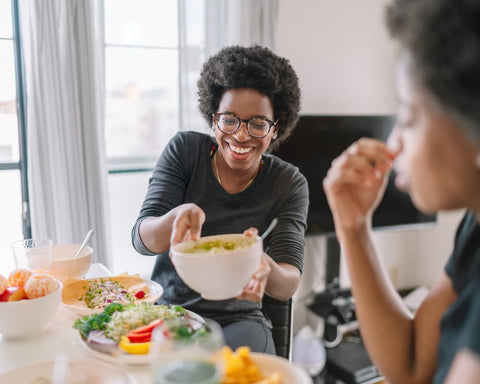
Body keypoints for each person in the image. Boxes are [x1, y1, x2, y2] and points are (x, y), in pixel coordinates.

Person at [323, 0, 480, 382]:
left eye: (408, 117)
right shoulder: (474, 228)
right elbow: (411, 366)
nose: (393, 143)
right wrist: (354, 227)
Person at [132, 45, 308, 354]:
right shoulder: (185, 151)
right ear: (214, 119)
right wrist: (176, 217)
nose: (241, 136)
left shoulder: (288, 182)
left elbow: (288, 282)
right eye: (229, 119)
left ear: (275, 128)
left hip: (240, 319)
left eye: (257, 123)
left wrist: (261, 262)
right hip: (172, 312)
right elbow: (141, 239)